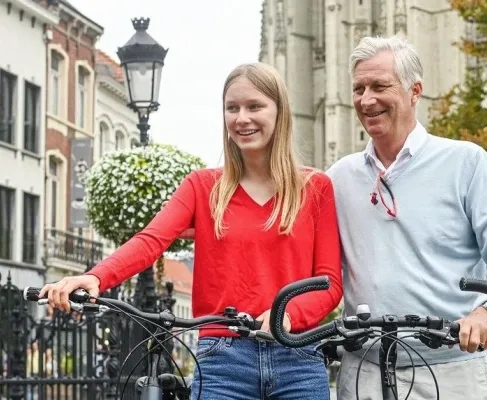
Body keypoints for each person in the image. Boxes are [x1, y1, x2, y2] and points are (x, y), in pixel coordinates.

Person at [40, 62, 343, 400]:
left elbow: (329, 282)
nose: (242, 118)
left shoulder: (315, 187)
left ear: (280, 112)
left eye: (254, 106)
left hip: (298, 358)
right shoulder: (203, 186)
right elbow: (150, 240)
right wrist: (97, 277)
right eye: (232, 108)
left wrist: (287, 314)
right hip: (223, 361)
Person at [325, 35, 487, 400]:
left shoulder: (465, 162)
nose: (366, 99)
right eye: (358, 88)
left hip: (451, 369)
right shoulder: (339, 177)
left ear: (414, 91)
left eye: (380, 86)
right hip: (363, 372)